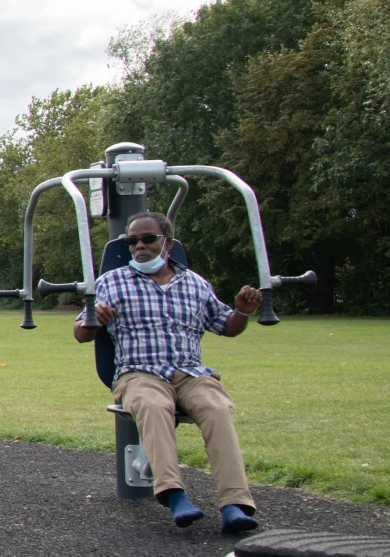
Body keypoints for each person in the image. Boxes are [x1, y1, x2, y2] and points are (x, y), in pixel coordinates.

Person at [73, 211, 263, 534]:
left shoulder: (195, 285)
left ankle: (234, 504)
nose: (139, 247)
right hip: (139, 373)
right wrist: (95, 319)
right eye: (132, 241)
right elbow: (80, 332)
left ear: (168, 243)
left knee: (217, 407)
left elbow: (226, 325)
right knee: (153, 405)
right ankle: (174, 495)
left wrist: (243, 312)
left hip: (189, 373)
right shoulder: (111, 282)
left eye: (148, 239)